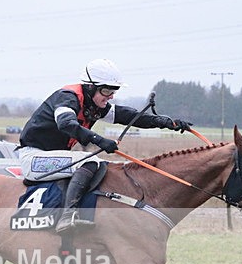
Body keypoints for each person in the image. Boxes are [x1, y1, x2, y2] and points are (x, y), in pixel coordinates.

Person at [18, 58, 192, 233]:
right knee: (89, 161)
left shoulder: (93, 104)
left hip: (53, 157)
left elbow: (126, 115)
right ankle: (67, 216)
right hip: (33, 158)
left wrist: (166, 122)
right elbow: (66, 124)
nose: (110, 96)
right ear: (90, 87)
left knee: (100, 166)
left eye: (114, 91)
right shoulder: (67, 97)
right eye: (106, 90)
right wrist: (99, 140)